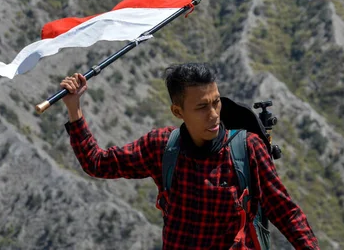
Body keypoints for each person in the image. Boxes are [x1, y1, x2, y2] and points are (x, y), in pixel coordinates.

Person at [61, 62, 319, 249]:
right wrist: (74, 109)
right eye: (202, 106)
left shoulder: (247, 149)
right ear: (178, 111)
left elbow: (286, 212)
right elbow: (97, 164)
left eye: (216, 102)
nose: (214, 114)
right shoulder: (161, 147)